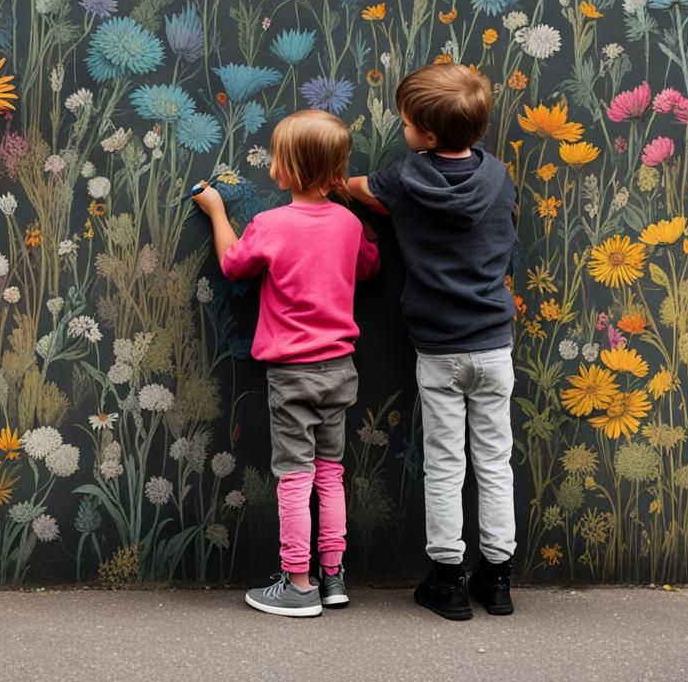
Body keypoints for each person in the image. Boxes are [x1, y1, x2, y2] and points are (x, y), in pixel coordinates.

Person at [347, 62, 518, 620]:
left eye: (404, 122)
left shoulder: (405, 179)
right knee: (495, 462)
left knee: (445, 464)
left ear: (425, 134)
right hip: (493, 343)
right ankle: (496, 580)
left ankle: (446, 580)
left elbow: (362, 191)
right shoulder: (497, 177)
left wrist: (335, 182)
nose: (402, 130)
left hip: (438, 349)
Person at [193, 109, 379, 617]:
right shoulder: (347, 222)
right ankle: (334, 576)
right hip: (341, 368)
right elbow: (370, 265)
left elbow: (233, 265)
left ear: (285, 168)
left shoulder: (270, 224)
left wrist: (214, 210)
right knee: (330, 471)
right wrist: (346, 210)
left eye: (276, 156)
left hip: (292, 372)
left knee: (294, 476)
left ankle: (299, 583)